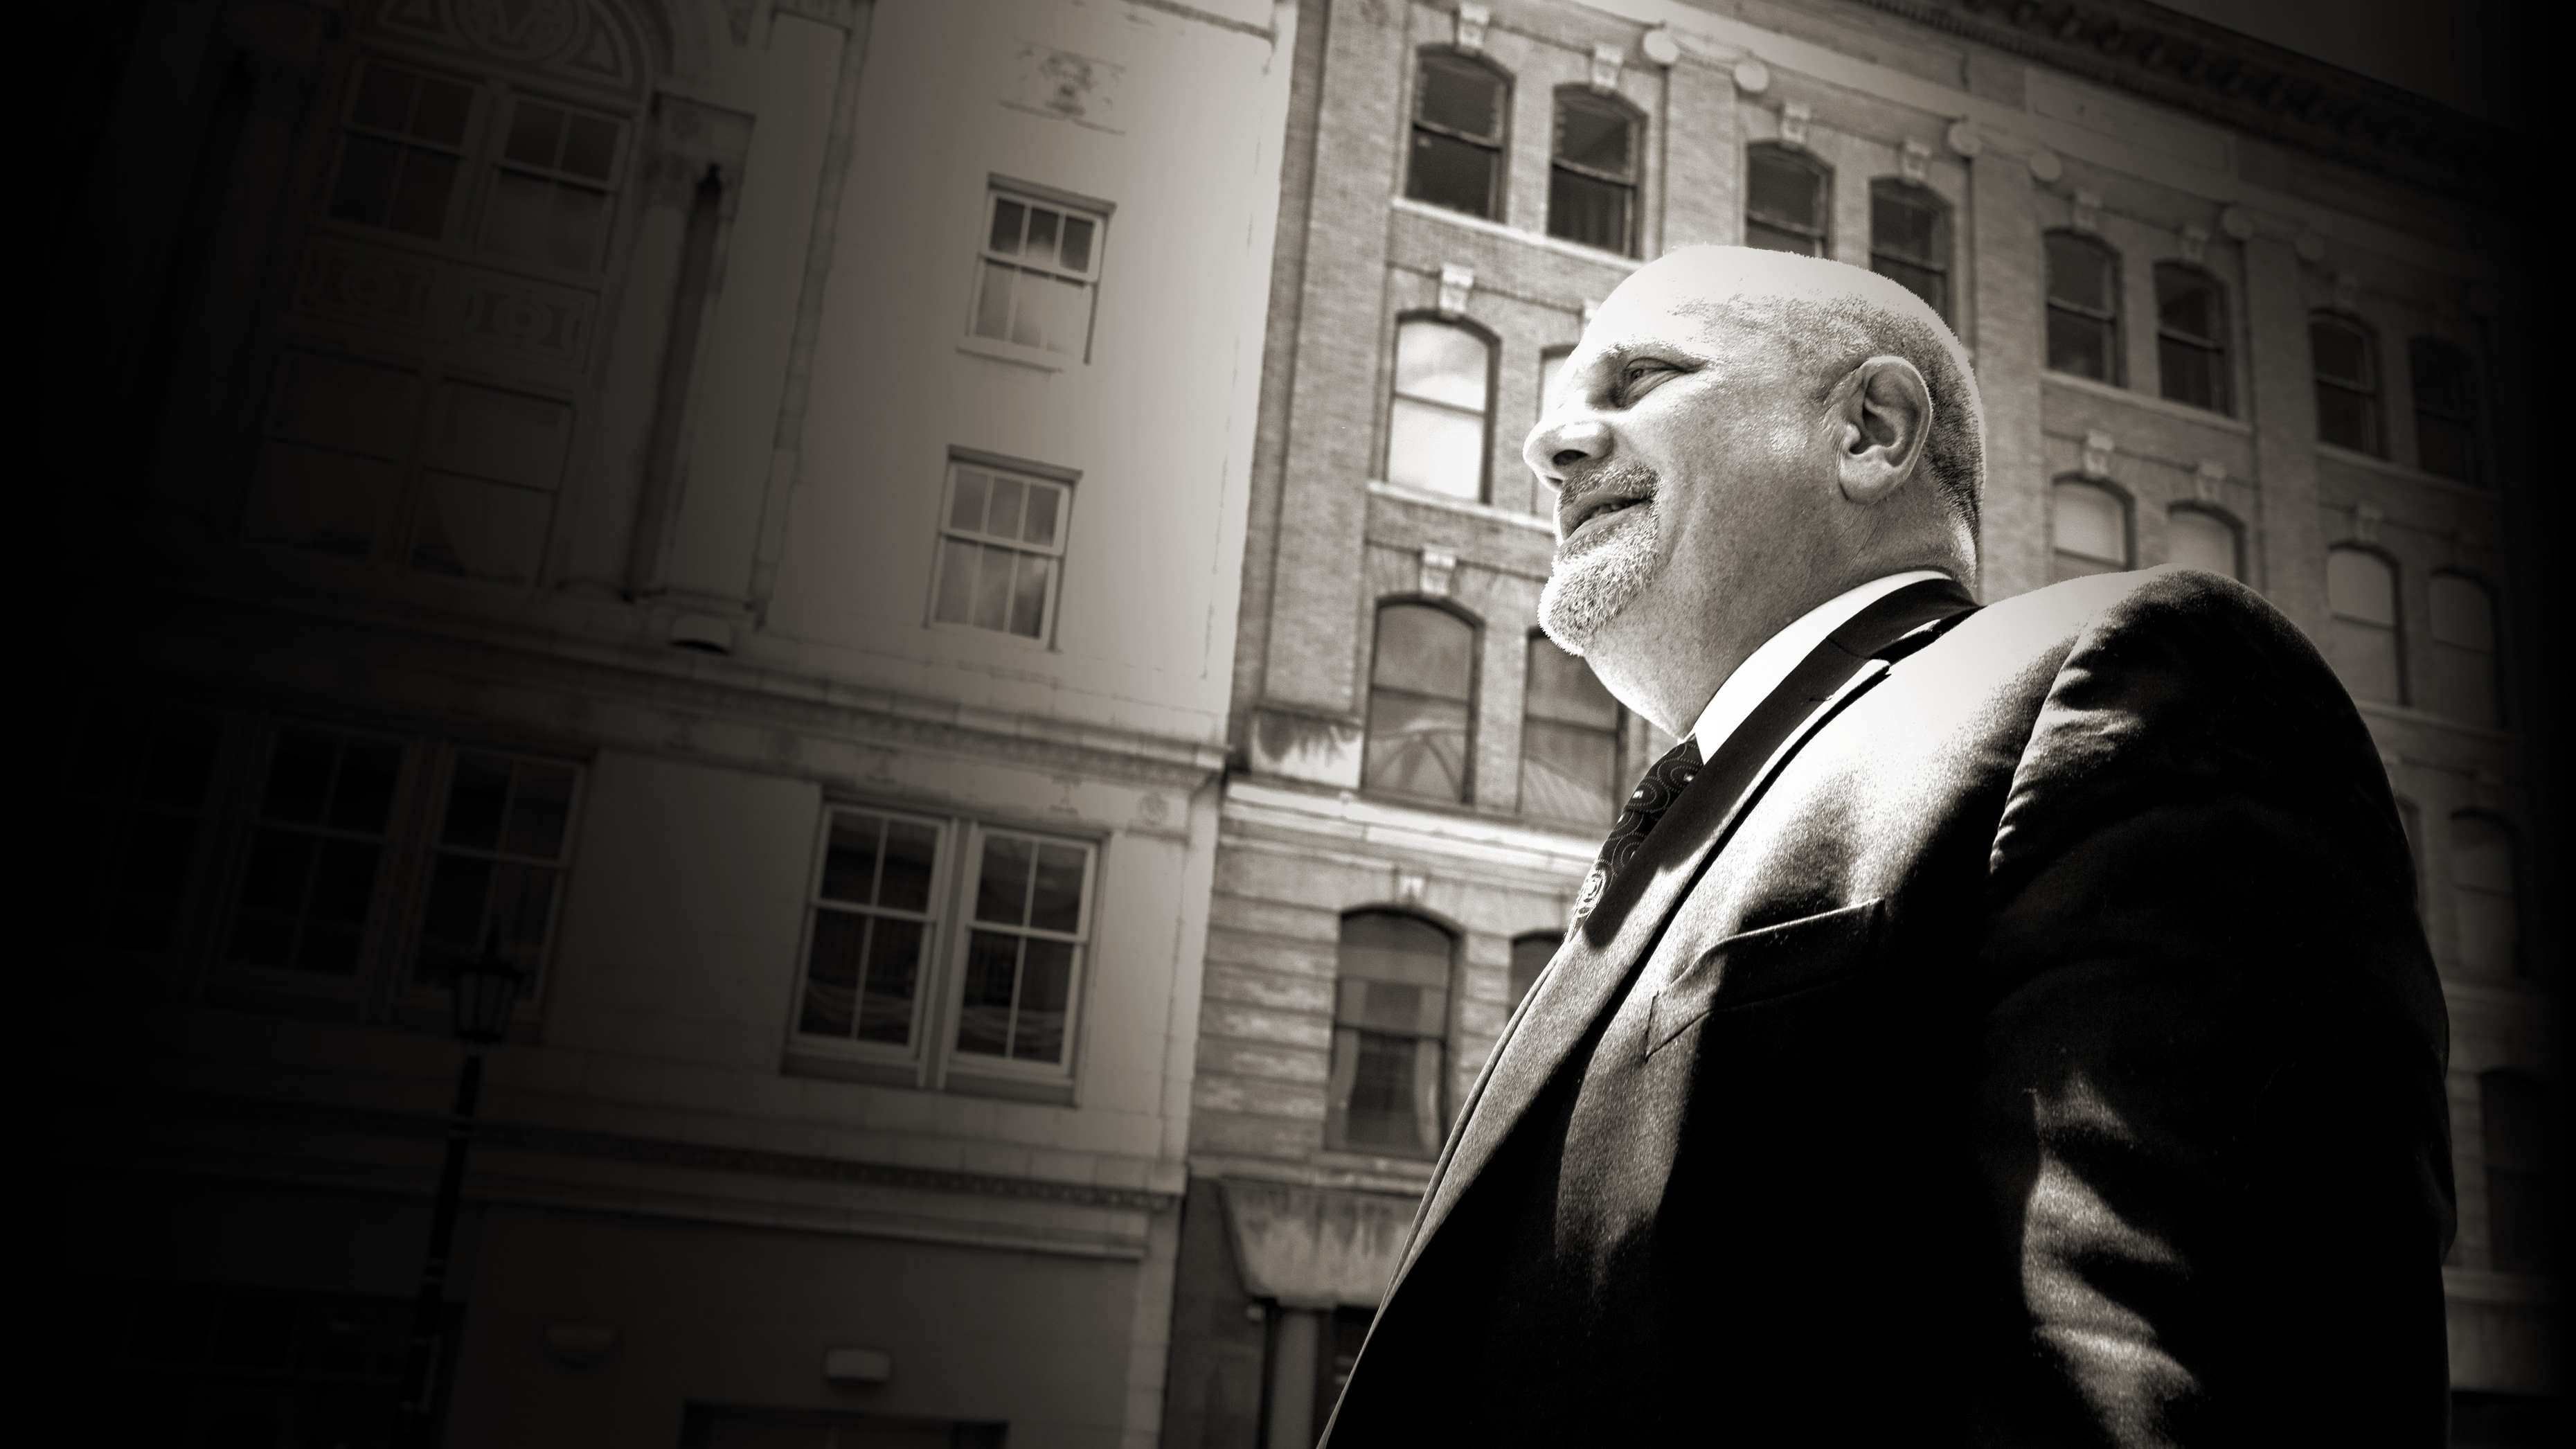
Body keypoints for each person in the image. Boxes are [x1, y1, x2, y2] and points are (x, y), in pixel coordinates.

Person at [1318, 247, 2453, 1446]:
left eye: (1637, 378)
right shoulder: (1687, 827)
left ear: (1870, 429)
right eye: (1556, 403)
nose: (1552, 441)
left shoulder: (2120, 686)